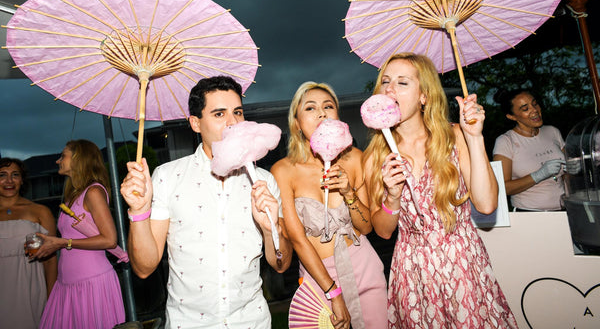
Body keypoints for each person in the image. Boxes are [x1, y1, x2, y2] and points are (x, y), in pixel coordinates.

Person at [120, 75, 293, 329]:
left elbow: (281, 264)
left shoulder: (264, 181)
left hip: (251, 321)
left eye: (238, 112)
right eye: (219, 114)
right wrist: (139, 211)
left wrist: (270, 230)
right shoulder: (168, 177)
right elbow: (144, 268)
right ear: (195, 123)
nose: (233, 123)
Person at [362, 52, 518, 328]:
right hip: (413, 270)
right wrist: (392, 197)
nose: (389, 89)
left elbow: (486, 204)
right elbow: (383, 230)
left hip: (463, 261)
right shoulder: (375, 155)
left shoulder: (454, 135)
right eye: (385, 81)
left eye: (402, 83)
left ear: (424, 96)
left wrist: (475, 138)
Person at [271, 82, 387, 329]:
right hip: (317, 278)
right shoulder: (283, 171)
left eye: (328, 106)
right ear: (297, 122)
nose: (322, 113)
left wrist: (349, 193)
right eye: (310, 108)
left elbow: (366, 228)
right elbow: (298, 239)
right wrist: (333, 292)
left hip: (363, 268)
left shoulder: (357, 158)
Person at [36, 139, 126, 329]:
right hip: (67, 284)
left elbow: (110, 240)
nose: (57, 161)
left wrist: (63, 242)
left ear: (79, 159)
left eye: (63, 156)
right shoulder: (72, 195)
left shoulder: (93, 192)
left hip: (92, 284)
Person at [0, 157, 57, 329]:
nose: (9, 181)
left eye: (15, 175)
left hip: (31, 288)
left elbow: (51, 261)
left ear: (22, 179)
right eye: (2, 175)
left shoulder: (40, 211)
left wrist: (52, 299)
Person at [493, 88, 565, 211]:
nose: (534, 110)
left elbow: (567, 175)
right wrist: (538, 175)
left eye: (535, 103)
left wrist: (575, 169)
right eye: (525, 109)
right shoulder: (506, 141)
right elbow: (501, 187)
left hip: (564, 210)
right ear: (511, 116)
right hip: (529, 214)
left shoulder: (553, 132)